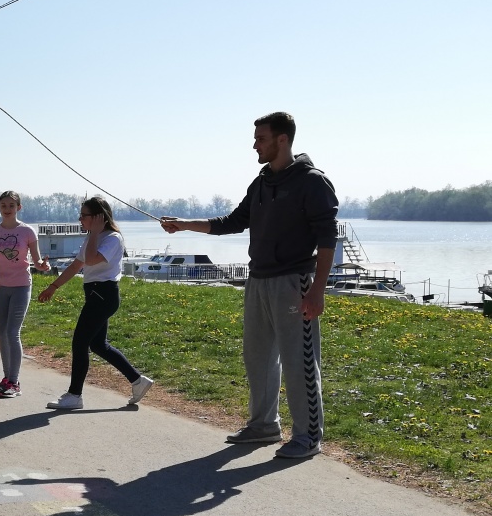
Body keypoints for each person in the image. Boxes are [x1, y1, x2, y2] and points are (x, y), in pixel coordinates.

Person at [160, 111, 338, 458]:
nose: (255, 145)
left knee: (299, 362)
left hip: (294, 282)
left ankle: (308, 436)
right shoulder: (261, 182)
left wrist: (317, 289)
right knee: (258, 358)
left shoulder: (312, 182)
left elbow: (327, 237)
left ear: (282, 140)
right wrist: (184, 224)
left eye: (261, 139)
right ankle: (264, 426)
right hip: (258, 280)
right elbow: (233, 221)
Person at [38, 197, 153, 411]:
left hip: (104, 294)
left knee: (80, 343)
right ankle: (138, 381)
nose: (80, 219)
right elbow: (76, 266)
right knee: (98, 345)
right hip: (96, 295)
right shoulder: (94, 237)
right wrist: (53, 287)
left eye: (84, 215)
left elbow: (91, 260)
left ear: (99, 217)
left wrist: (93, 234)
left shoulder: (112, 238)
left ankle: (74, 395)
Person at [0, 191, 49, 398]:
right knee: (2, 334)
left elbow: (37, 261)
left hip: (21, 286)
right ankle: (6, 379)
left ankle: (15, 381)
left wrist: (43, 266)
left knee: (12, 332)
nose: (7, 209)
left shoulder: (27, 231)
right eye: (3, 205)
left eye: (11, 205)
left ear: (18, 207)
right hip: (0, 287)